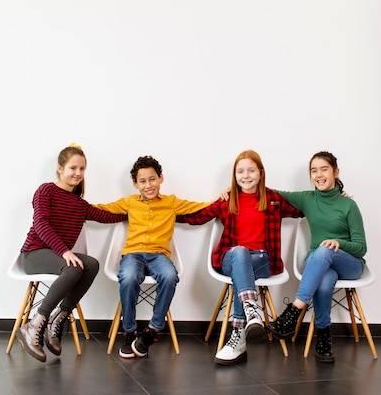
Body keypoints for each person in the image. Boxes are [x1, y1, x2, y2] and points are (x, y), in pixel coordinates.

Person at [176, 150, 302, 365]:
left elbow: (305, 208)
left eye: (251, 170)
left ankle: (238, 339)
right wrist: (158, 211)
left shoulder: (273, 199)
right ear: (234, 176)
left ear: (261, 173)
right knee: (240, 253)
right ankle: (252, 311)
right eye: (240, 171)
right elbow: (197, 217)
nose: (246, 175)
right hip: (231, 258)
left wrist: (335, 197)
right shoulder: (228, 200)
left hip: (262, 261)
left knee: (242, 273)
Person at [16, 144, 127, 363]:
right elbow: (41, 224)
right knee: (73, 265)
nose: (77, 173)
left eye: (82, 168)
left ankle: (59, 317)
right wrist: (64, 250)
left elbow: (107, 216)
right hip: (33, 254)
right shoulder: (45, 190)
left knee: (92, 264)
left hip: (58, 257)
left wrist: (138, 209)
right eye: (72, 168)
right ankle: (35, 323)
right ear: (60, 168)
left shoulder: (80, 204)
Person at [96, 155, 212, 360]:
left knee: (169, 275)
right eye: (142, 181)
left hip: (159, 256)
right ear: (135, 184)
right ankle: (129, 330)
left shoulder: (171, 202)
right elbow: (103, 209)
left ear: (161, 178)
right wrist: (75, 205)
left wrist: (225, 199)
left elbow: (200, 207)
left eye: (152, 179)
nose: (148, 185)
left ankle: (152, 330)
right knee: (129, 277)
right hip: (133, 254)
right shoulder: (130, 202)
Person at [267, 151, 367, 363]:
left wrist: (339, 244)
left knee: (323, 250)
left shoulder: (349, 205)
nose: (319, 175)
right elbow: (269, 193)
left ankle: (294, 310)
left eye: (324, 169)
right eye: (314, 170)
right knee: (323, 280)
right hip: (320, 263)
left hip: (350, 262)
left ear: (336, 172)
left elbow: (361, 247)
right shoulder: (307, 198)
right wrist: (234, 188)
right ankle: (323, 337)